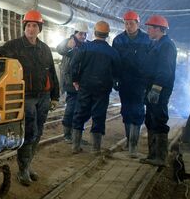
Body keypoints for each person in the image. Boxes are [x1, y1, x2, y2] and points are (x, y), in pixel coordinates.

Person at [0, 10, 59, 186]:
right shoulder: (14, 45)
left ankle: (28, 165)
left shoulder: (44, 49)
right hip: (25, 97)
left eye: (35, 26)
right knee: (30, 132)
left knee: (39, 131)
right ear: (24, 27)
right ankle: (23, 170)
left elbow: (52, 74)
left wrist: (54, 96)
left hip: (43, 97)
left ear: (39, 28)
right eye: (28, 26)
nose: (31, 29)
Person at [70, 21, 120, 154]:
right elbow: (117, 72)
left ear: (94, 32)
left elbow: (74, 64)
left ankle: (75, 146)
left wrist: (75, 80)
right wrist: (114, 83)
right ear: (107, 35)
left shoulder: (85, 47)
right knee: (99, 115)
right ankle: (95, 148)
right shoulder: (112, 52)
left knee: (80, 113)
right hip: (103, 89)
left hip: (85, 86)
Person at [112, 10, 151, 158]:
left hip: (141, 83)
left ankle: (133, 145)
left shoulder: (147, 40)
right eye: (126, 23)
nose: (128, 26)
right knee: (127, 111)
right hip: (125, 82)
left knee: (138, 112)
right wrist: (114, 78)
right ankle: (129, 142)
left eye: (131, 23)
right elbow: (114, 61)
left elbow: (151, 62)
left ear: (137, 23)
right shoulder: (118, 40)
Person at [140, 15, 176, 167]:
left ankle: (160, 157)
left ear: (158, 29)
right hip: (152, 87)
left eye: (150, 28)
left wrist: (156, 88)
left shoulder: (166, 45)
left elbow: (164, 69)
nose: (148, 31)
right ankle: (152, 154)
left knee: (159, 119)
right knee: (150, 119)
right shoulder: (158, 43)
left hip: (159, 89)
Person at [56, 22, 89, 143]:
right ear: (75, 33)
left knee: (82, 111)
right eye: (81, 34)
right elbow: (60, 49)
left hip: (83, 84)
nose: (83, 36)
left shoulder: (87, 45)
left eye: (85, 34)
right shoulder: (69, 42)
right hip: (70, 83)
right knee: (71, 109)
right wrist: (69, 45)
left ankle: (77, 135)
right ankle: (67, 134)